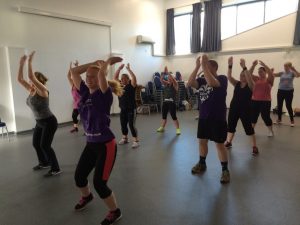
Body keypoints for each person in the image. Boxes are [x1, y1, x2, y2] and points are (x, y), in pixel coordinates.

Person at [71, 57, 123, 225]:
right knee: (79, 177)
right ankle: (87, 196)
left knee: (99, 183)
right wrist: (92, 63)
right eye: (88, 77)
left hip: (106, 145)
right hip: (90, 144)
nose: (89, 79)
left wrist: (106, 63)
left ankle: (115, 211)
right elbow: (74, 72)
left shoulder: (104, 95)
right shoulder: (84, 93)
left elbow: (102, 75)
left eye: (93, 77)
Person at [17, 51, 62, 177]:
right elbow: (20, 79)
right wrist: (21, 64)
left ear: (38, 82)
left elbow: (31, 77)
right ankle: (44, 162)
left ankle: (55, 168)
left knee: (45, 145)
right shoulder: (31, 90)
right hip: (39, 122)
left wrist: (30, 62)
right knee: (36, 144)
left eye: (33, 81)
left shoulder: (43, 91)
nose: (30, 83)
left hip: (49, 122)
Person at [187, 54, 230, 184]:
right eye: (204, 65)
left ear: (214, 68)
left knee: (219, 144)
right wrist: (197, 66)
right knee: (202, 141)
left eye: (207, 66)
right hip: (204, 117)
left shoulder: (222, 79)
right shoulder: (201, 81)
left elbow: (212, 82)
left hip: (218, 118)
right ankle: (202, 163)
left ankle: (225, 170)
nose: (204, 68)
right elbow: (189, 83)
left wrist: (204, 64)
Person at [224, 57, 259, 155]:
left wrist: (244, 67)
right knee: (231, 126)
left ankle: (254, 146)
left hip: (245, 110)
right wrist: (230, 65)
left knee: (249, 129)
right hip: (234, 108)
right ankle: (229, 142)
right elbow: (229, 77)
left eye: (243, 75)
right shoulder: (237, 84)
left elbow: (249, 76)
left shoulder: (251, 85)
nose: (241, 77)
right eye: (240, 75)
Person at [113, 63, 140, 148]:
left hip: (131, 109)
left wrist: (129, 69)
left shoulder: (131, 86)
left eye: (125, 78)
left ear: (128, 79)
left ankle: (136, 141)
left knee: (131, 125)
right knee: (123, 124)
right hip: (123, 109)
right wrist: (119, 69)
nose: (123, 80)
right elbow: (115, 78)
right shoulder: (119, 86)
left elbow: (134, 78)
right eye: (122, 78)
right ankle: (125, 138)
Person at [248, 60, 274, 136]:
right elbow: (248, 74)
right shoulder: (256, 79)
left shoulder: (269, 80)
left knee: (265, 117)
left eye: (261, 71)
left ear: (265, 72)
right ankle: (251, 130)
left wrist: (264, 65)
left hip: (265, 101)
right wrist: (253, 65)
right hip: (254, 100)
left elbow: (271, 74)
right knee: (253, 116)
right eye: (258, 71)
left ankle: (270, 131)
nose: (259, 73)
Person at [273, 62, 300, 127]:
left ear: (290, 67)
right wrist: (270, 71)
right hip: (280, 91)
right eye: (284, 66)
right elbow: (274, 75)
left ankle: (292, 120)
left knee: (288, 105)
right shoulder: (282, 73)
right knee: (279, 105)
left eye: (286, 66)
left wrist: (294, 69)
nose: (285, 67)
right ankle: (279, 119)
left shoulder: (292, 73)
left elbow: (298, 75)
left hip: (289, 91)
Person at [157, 66, 181, 135]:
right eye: (168, 78)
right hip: (165, 102)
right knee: (164, 116)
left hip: (171, 103)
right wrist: (164, 73)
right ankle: (162, 127)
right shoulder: (166, 84)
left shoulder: (175, 85)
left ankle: (178, 129)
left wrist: (168, 73)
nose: (169, 79)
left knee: (174, 116)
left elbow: (173, 80)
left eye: (170, 78)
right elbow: (161, 80)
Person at [67, 60, 81, 133]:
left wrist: (77, 66)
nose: (72, 79)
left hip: (82, 104)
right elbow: (68, 76)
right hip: (76, 104)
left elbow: (77, 75)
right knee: (74, 116)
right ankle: (75, 128)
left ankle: (88, 129)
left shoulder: (78, 86)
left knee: (85, 118)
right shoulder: (73, 85)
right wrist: (70, 68)